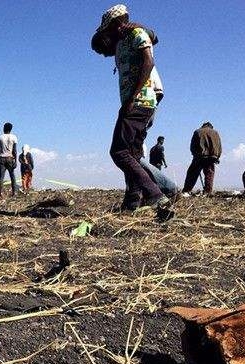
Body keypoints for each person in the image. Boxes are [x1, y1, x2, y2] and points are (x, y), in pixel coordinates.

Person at [92, 4, 170, 213]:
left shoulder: (135, 33)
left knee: (119, 151)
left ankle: (157, 195)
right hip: (137, 102)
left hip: (139, 101)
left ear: (116, 25)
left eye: (106, 32)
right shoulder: (120, 44)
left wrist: (132, 98)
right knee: (133, 154)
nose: (105, 44)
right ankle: (132, 202)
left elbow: (148, 60)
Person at [181, 122, 222, 196]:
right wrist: (217, 157)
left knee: (192, 174)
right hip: (212, 157)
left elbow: (192, 146)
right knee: (209, 174)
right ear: (211, 127)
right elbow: (219, 146)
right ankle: (208, 191)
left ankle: (187, 190)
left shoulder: (197, 131)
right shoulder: (215, 132)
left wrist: (194, 154)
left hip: (199, 157)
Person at [0, 123, 17, 196]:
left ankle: (0, 193)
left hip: (1, 158)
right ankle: (14, 192)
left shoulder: (0, 137)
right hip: (10, 158)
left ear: (4, 128)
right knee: (12, 176)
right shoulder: (14, 137)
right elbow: (15, 150)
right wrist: (15, 161)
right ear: (10, 129)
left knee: (1, 176)